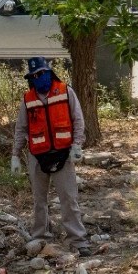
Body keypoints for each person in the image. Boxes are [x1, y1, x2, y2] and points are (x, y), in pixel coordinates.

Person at [10, 56, 91, 256]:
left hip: (63, 154)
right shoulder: (28, 100)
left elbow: (78, 120)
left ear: (48, 72)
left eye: (42, 74)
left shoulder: (65, 91)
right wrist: (15, 155)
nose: (39, 78)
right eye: (34, 76)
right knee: (39, 200)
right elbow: (21, 129)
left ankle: (78, 240)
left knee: (68, 198)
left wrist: (77, 145)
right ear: (30, 78)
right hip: (37, 156)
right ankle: (39, 238)